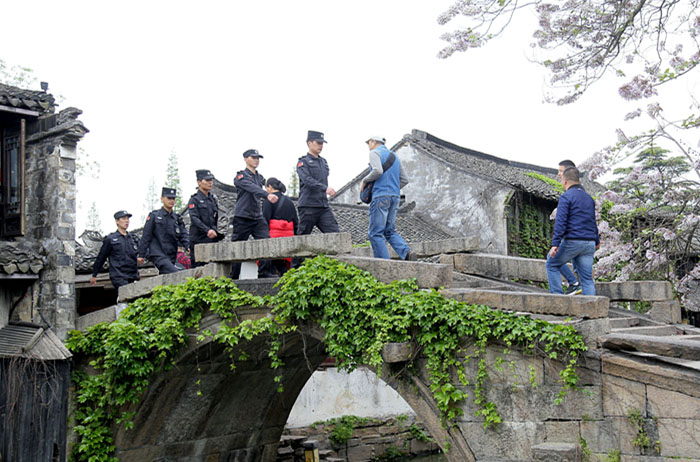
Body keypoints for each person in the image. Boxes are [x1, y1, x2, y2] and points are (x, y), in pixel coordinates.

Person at [360, 135, 416, 261]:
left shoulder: (374, 153)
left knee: (375, 233)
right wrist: (392, 189)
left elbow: (377, 171)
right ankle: (407, 252)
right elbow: (405, 179)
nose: (368, 146)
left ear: (373, 142)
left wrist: (365, 180)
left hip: (380, 196)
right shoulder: (394, 156)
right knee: (389, 231)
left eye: (368, 143)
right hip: (395, 197)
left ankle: (384, 264)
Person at [546, 167, 600, 295]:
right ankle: (591, 307)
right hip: (589, 243)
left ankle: (557, 299)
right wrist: (597, 241)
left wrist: (555, 244)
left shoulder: (566, 197)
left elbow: (561, 222)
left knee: (551, 264)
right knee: (587, 279)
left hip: (573, 241)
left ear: (565, 181)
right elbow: (593, 221)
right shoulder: (589, 198)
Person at [230, 149, 278, 279]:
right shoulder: (240, 176)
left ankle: (264, 272)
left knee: (265, 242)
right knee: (237, 247)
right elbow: (251, 188)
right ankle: (234, 276)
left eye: (258, 158)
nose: (256, 160)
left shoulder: (259, 177)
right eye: (253, 158)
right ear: (246, 159)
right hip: (243, 216)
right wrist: (267, 195)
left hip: (257, 216)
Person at [295, 130, 339, 235]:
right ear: (309, 143)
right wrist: (325, 188)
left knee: (335, 235)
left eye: (322, 143)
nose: (321, 146)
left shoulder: (323, 162)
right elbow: (307, 180)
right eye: (318, 143)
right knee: (302, 237)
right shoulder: (303, 162)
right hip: (308, 206)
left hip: (323, 205)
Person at [138, 187, 189, 275]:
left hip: (171, 254)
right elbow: (146, 236)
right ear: (162, 199)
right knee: (175, 274)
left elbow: (183, 235)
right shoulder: (154, 216)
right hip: (158, 253)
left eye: (173, 198)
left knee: (168, 276)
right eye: (169, 198)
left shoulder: (177, 218)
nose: (171, 201)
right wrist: (141, 255)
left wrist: (188, 246)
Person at [550, 159, 582, 294]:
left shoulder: (571, 193)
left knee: (553, 260)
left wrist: (556, 242)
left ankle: (573, 284)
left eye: (561, 171)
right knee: (577, 266)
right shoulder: (580, 192)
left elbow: (562, 220)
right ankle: (577, 285)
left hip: (573, 236)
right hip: (580, 237)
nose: (558, 174)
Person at [90, 210, 140, 292]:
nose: (127, 221)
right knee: (126, 293)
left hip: (133, 275)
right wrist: (94, 275)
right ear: (117, 221)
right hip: (119, 275)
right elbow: (101, 257)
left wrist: (141, 257)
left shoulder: (133, 238)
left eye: (127, 219)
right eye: (123, 218)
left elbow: (142, 251)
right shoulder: (111, 239)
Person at [262, 177, 298, 276]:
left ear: (269, 187)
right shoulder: (289, 201)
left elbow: (265, 219)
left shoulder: (269, 200)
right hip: (288, 236)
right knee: (284, 265)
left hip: (273, 235)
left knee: (272, 263)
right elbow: (295, 220)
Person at [187, 169, 221, 267]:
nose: (210, 183)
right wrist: (207, 230)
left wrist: (215, 231)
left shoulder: (212, 199)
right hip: (199, 239)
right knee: (198, 269)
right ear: (199, 182)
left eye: (211, 180)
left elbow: (215, 218)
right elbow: (194, 218)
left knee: (213, 267)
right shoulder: (194, 199)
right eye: (207, 180)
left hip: (211, 239)